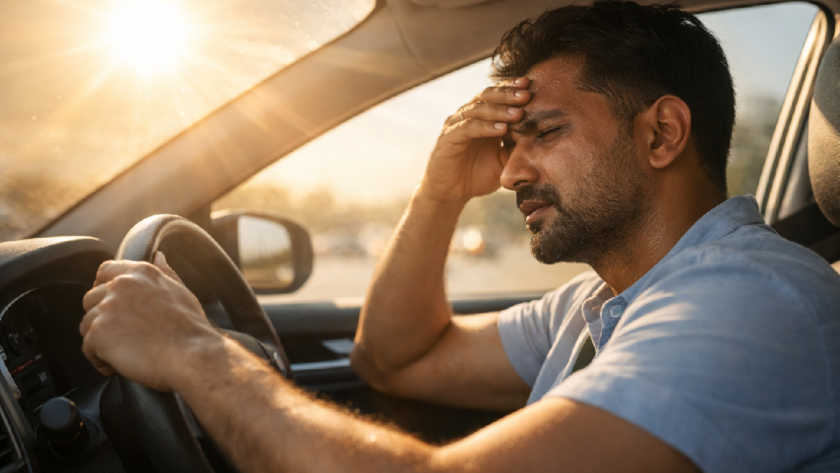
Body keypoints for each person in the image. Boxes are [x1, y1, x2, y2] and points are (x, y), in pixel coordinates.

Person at [80, 2, 840, 472]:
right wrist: (439, 191)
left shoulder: (748, 303)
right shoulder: (599, 301)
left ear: (662, 133)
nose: (510, 174)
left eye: (541, 132)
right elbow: (396, 359)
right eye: (509, 145)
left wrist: (198, 353)